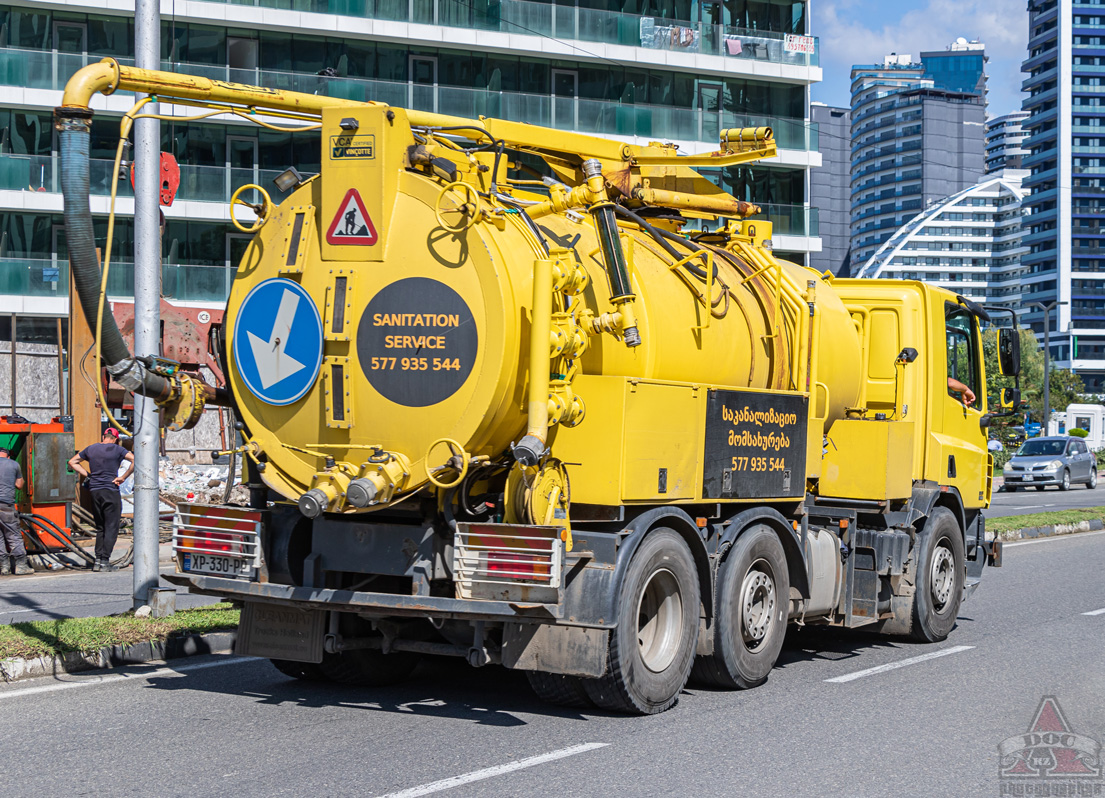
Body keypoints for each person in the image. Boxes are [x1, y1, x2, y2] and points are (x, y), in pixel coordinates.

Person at [68, 428, 134, 572]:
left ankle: (98, 561)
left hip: (95, 491)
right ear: (115, 439)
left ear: (103, 436)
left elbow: (72, 462)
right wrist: (123, 477)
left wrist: (89, 475)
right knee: (111, 527)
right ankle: (104, 561)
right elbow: (135, 460)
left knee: (100, 527)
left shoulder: (91, 448)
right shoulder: (118, 449)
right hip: (110, 490)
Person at [0, 447, 31, 575]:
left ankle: (4, 567)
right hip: (6, 505)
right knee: (13, 535)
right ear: (8, 456)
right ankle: (21, 566)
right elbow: (19, 485)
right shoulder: (13, 464)